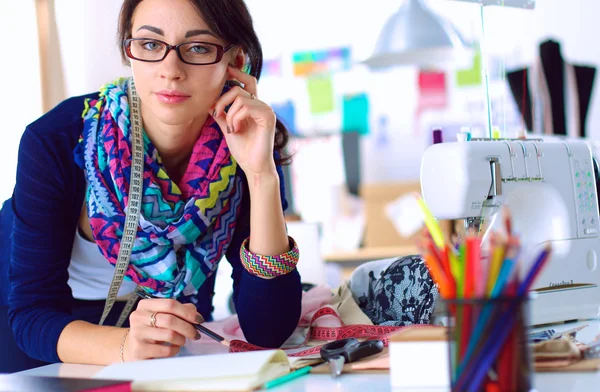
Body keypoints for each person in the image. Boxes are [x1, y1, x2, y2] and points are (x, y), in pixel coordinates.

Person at [0, 0, 302, 372]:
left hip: (160, 336)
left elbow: (268, 329)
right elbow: (30, 315)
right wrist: (126, 344)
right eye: (150, 45)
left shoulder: (249, 143)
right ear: (130, 52)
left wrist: (260, 176)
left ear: (236, 62)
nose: (170, 71)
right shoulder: (58, 140)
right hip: (39, 336)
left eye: (198, 47)